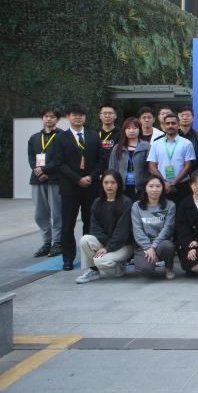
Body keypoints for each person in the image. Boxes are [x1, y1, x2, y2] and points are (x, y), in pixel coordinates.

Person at [54, 103, 103, 271]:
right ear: (68, 117)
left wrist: (90, 177)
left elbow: (101, 160)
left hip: (91, 187)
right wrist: (77, 179)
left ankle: (89, 257)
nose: (78, 117)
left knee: (90, 223)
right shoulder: (60, 138)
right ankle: (67, 258)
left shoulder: (93, 136)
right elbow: (59, 163)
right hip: (70, 188)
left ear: (85, 117)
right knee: (68, 224)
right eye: (74, 114)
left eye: (81, 115)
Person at [74, 170, 133, 283]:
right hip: (106, 243)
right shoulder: (97, 203)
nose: (109, 186)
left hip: (123, 245)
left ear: (118, 184)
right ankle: (93, 270)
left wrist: (107, 248)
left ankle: (119, 265)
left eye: (113, 182)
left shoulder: (126, 202)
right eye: (106, 182)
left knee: (100, 261)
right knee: (85, 240)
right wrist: (106, 246)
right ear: (102, 184)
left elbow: (122, 232)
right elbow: (94, 229)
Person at [28, 107, 63, 258]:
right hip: (37, 180)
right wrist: (37, 170)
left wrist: (45, 170)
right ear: (42, 118)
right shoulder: (35, 138)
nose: (49, 119)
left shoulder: (63, 136)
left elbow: (61, 158)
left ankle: (58, 242)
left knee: (57, 213)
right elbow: (31, 157)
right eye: (46, 116)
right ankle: (46, 242)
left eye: (52, 116)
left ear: (58, 119)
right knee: (40, 214)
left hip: (55, 179)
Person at [131, 174, 176, 278]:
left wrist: (153, 246)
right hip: (143, 246)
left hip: (161, 243)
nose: (154, 189)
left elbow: (167, 229)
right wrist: (148, 247)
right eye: (151, 186)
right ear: (145, 188)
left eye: (158, 186)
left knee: (168, 246)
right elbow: (137, 230)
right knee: (146, 270)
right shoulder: (136, 206)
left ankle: (169, 267)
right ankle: (150, 262)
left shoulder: (170, 205)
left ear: (163, 188)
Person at [147, 113, 195, 205]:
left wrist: (173, 183)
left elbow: (188, 166)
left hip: (182, 185)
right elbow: (152, 167)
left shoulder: (187, 143)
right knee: (162, 210)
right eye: (167, 123)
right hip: (161, 185)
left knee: (180, 211)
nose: (170, 126)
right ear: (164, 126)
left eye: (173, 123)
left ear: (178, 125)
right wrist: (164, 183)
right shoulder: (156, 144)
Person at [108, 117, 151, 200]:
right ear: (124, 130)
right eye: (128, 128)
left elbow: (150, 168)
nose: (131, 131)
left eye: (135, 128)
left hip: (140, 188)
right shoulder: (117, 147)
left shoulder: (146, 146)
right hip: (122, 187)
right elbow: (112, 168)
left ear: (139, 130)